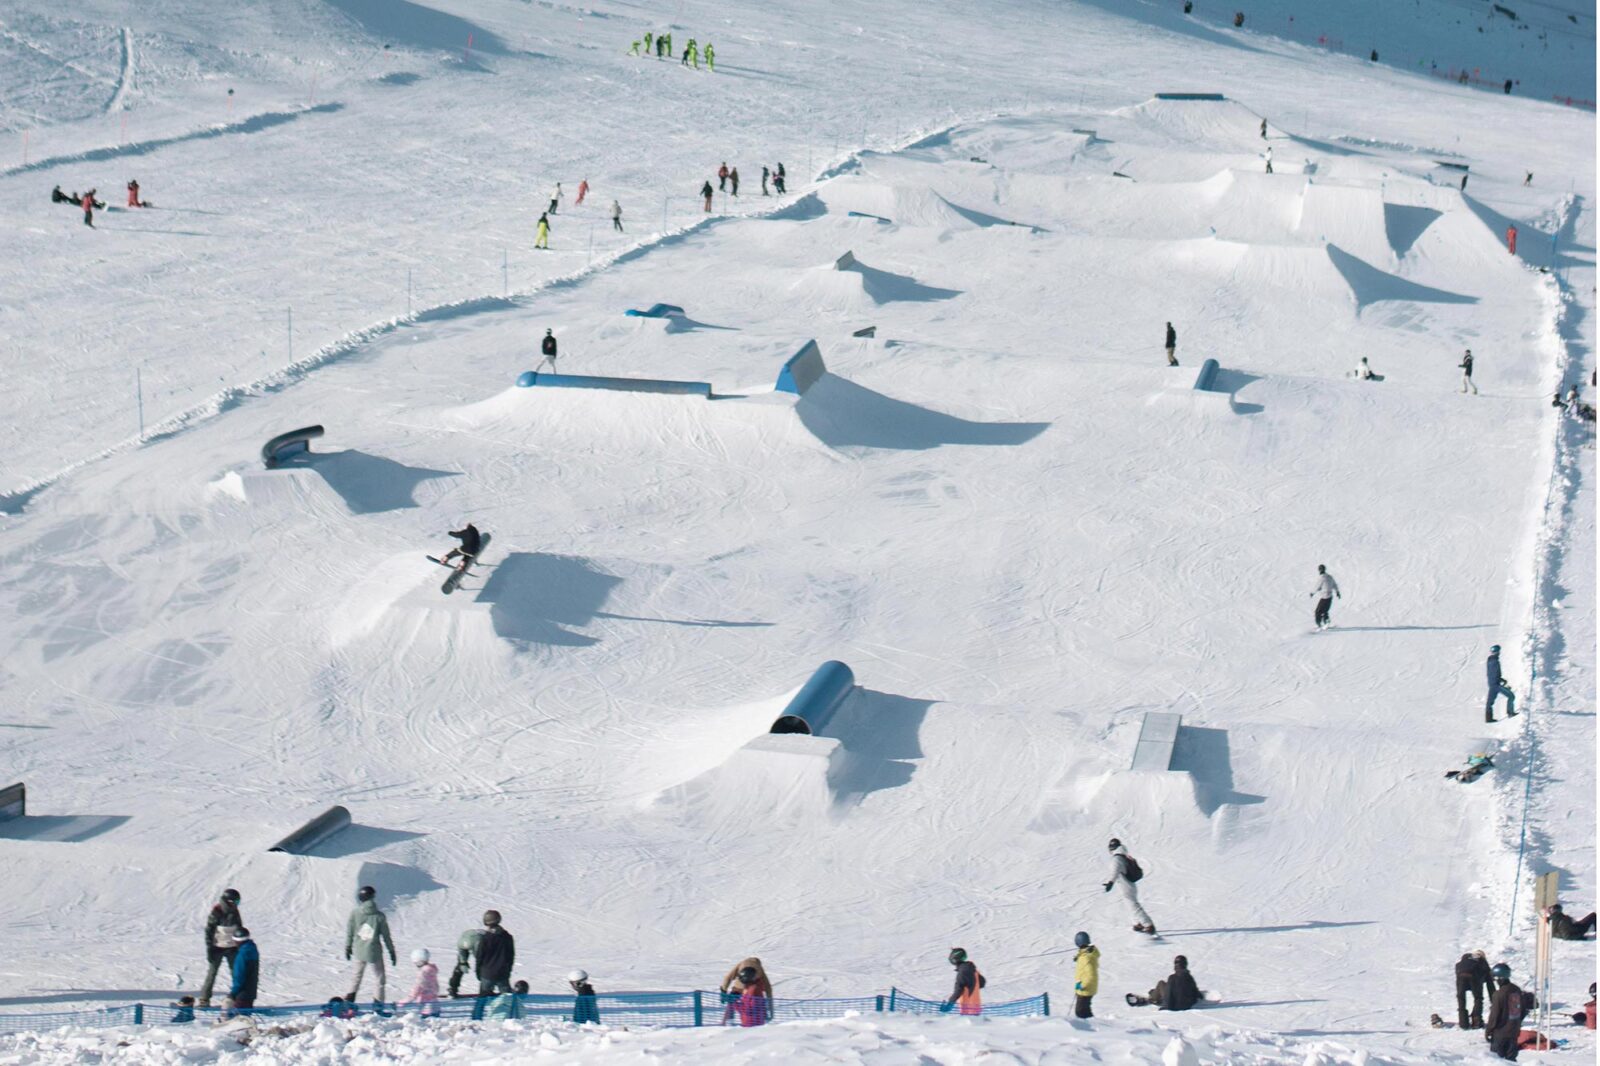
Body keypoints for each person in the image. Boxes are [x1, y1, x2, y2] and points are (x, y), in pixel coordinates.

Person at [345, 886, 397, 1005]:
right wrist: (391, 951)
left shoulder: (355, 913)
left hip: (359, 950)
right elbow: (386, 936)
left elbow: (350, 931)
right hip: (374, 952)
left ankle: (349, 1000)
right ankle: (378, 1004)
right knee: (379, 978)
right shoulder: (379, 916)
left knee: (356, 976)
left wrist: (348, 946)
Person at [199, 888, 243, 1007]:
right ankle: (204, 998)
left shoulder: (235, 911)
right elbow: (209, 931)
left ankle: (238, 997)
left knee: (236, 973)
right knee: (212, 973)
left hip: (232, 947)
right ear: (229, 901)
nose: (237, 905)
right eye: (236, 902)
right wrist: (210, 948)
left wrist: (240, 944)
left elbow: (239, 927)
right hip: (218, 947)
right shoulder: (217, 912)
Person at [1104, 838, 1155, 933]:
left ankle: (1148, 924)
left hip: (1125, 886)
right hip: (1130, 885)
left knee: (1133, 905)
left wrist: (1110, 882)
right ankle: (1137, 923)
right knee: (1129, 905)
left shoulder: (1116, 859)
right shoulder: (1124, 856)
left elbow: (1114, 871)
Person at [1126, 954, 1200, 1009]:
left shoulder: (1172, 978)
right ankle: (1155, 993)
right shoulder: (1189, 978)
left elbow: (1169, 994)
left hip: (1173, 1005)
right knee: (1166, 985)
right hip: (1187, 1005)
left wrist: (1165, 1006)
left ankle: (1153, 997)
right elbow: (1196, 992)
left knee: (1161, 983)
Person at [1485, 963, 1525, 1060]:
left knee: (1498, 1060)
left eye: (1496, 979)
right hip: (1514, 1032)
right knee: (1511, 1060)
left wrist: (1489, 1030)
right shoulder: (1517, 990)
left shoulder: (1499, 994)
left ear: (1500, 978)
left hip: (1500, 1033)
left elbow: (1494, 1015)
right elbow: (1522, 1010)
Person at [719, 957, 772, 1024]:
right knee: (758, 1003)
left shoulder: (742, 963)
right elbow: (768, 987)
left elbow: (728, 977)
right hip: (751, 988)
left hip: (739, 987)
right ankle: (764, 1018)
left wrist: (723, 991)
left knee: (731, 1002)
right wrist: (770, 1007)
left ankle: (726, 1022)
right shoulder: (759, 968)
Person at [476, 910, 515, 996]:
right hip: (503, 973)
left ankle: (479, 1009)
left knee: (482, 1001)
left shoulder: (485, 938)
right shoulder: (507, 937)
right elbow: (511, 956)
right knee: (507, 1000)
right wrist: (508, 969)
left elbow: (480, 956)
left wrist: (478, 971)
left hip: (487, 973)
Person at [939, 947, 985, 1015]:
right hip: (976, 1009)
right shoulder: (973, 970)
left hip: (968, 1012)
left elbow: (958, 991)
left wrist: (949, 1006)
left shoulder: (963, 972)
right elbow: (982, 983)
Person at [1456, 950, 1493, 1028]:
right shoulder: (1483, 962)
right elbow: (1490, 985)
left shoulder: (1464, 959)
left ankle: (1463, 1023)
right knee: (1478, 998)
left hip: (1460, 975)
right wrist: (1494, 1000)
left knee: (1461, 997)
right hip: (1475, 978)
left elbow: (1457, 967)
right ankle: (1476, 1021)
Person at [400, 948, 440, 1015]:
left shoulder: (423, 973)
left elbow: (418, 987)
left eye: (415, 963)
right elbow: (436, 987)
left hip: (426, 1007)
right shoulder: (432, 970)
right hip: (435, 1004)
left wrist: (403, 1002)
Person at [229, 928, 260, 1011]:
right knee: (246, 1017)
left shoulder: (242, 955)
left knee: (239, 1020)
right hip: (251, 991)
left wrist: (233, 993)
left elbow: (239, 976)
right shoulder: (252, 949)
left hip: (242, 994)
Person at [448, 928, 483, 998]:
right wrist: (463, 963)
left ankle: (453, 988)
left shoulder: (480, 942)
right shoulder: (468, 943)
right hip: (471, 940)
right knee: (461, 966)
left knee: (461, 966)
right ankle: (453, 988)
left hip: (472, 940)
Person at [1485, 645, 1516, 722]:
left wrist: (1501, 679)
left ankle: (1488, 718)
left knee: (1490, 702)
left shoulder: (1490, 661)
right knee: (1511, 696)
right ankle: (1510, 712)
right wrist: (1500, 680)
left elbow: (1491, 674)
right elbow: (1494, 673)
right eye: (1498, 651)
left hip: (1492, 684)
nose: (1499, 653)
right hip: (1496, 685)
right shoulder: (1495, 662)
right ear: (1497, 652)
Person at [1072, 932, 1099, 1018]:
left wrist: (1082, 985)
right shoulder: (1085, 955)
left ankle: (1096, 1027)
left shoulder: (1086, 957)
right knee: (1084, 1011)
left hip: (1085, 989)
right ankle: (1093, 1026)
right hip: (1087, 989)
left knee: (1080, 1012)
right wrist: (1078, 957)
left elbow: (1091, 975)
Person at [1311, 564, 1341, 630]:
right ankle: (1326, 622)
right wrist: (1337, 592)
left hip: (1324, 597)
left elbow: (1317, 586)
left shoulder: (1322, 578)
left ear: (1320, 570)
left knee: (1318, 611)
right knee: (1325, 611)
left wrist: (1312, 593)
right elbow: (1334, 585)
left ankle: (1319, 625)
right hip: (1330, 597)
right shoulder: (1330, 577)